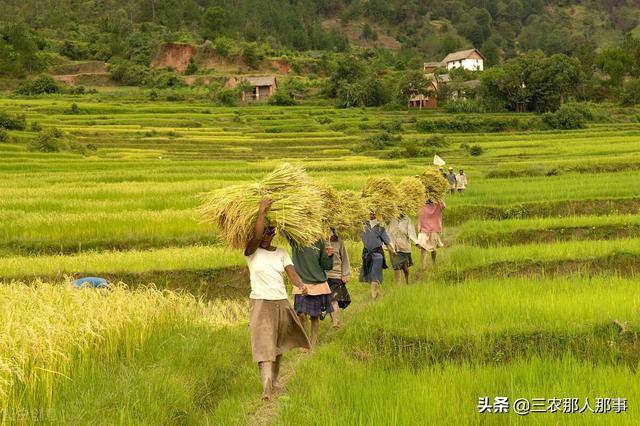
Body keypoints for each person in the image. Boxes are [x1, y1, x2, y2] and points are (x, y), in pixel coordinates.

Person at [244, 198, 311, 401]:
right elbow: (256, 235)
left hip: (280, 302)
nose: (266, 235)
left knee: (279, 345)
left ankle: (275, 381)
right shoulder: (251, 251)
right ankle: (266, 388)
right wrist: (261, 211)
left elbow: (291, 273)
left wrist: (301, 285)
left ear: (274, 234)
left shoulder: (281, 253)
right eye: (264, 231)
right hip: (261, 302)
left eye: (270, 232)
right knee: (264, 345)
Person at [290, 237, 335, 349]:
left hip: (317, 283)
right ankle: (305, 342)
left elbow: (326, 266)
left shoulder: (320, 241)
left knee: (315, 316)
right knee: (301, 314)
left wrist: (329, 256)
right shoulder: (296, 238)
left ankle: (312, 344)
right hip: (301, 283)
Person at [359, 211, 394, 300]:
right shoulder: (362, 226)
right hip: (366, 254)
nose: (372, 215)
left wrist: (393, 250)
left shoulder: (380, 228)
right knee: (371, 278)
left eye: (374, 213)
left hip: (377, 255)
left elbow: (388, 242)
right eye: (371, 213)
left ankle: (373, 299)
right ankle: (378, 295)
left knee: (374, 279)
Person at [326, 228, 351, 328]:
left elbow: (345, 258)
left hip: (336, 275)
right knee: (328, 300)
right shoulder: (319, 241)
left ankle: (335, 323)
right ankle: (334, 321)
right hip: (322, 276)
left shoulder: (339, 242)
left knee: (333, 299)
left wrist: (345, 274)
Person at [388, 213, 419, 284]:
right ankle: (398, 286)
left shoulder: (407, 220)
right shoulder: (391, 218)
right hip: (393, 246)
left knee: (405, 267)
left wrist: (416, 242)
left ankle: (407, 280)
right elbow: (384, 220)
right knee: (396, 266)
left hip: (404, 246)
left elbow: (411, 233)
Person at [417, 200, 445, 269]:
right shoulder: (422, 205)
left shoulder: (437, 204)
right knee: (423, 247)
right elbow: (419, 217)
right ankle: (423, 266)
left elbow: (443, 206)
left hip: (433, 230)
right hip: (424, 230)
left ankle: (434, 262)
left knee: (433, 249)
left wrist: (439, 197)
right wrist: (419, 227)